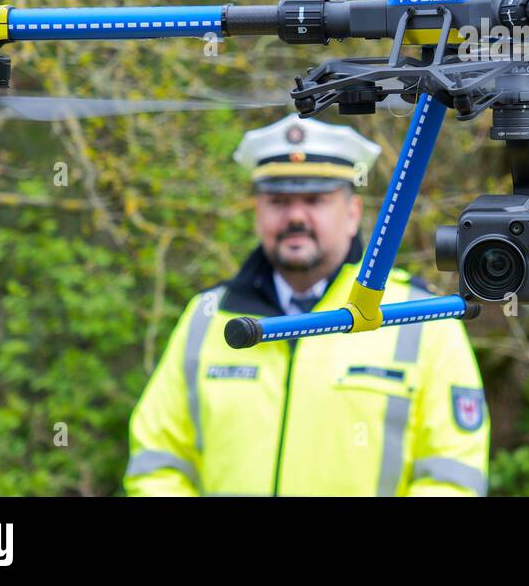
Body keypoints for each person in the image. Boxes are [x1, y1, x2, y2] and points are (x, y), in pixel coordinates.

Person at [125, 113, 489, 496]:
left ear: (352, 214)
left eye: (315, 200)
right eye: (278, 201)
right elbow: (158, 460)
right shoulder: (207, 316)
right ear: (257, 212)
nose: (296, 216)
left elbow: (451, 476)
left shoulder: (422, 318)